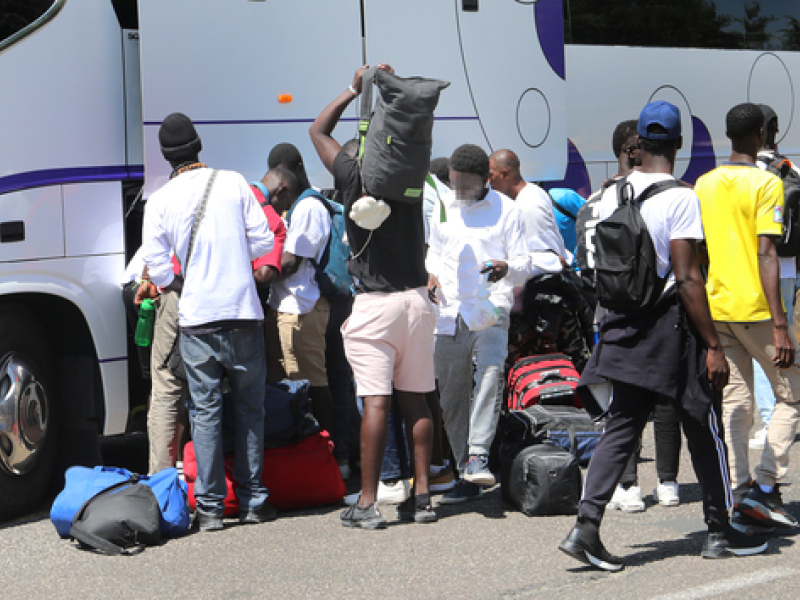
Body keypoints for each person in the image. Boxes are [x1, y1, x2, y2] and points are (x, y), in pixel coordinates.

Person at [559, 101, 767, 572]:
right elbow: (689, 277)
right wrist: (713, 345)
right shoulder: (679, 197)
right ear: (677, 143)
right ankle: (719, 530)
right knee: (702, 421)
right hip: (671, 327)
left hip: (620, 322)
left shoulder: (607, 195)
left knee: (623, 424)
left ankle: (585, 526)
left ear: (637, 146)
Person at [310, 63, 437, 528]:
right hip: (418, 303)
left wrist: (353, 88)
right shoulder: (411, 174)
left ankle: (367, 503)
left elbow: (317, 130)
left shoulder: (351, 175)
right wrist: (392, 85)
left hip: (375, 307)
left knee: (376, 403)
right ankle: (423, 498)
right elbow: (401, 127)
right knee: (417, 401)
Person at [139, 112, 276, 531]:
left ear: (166, 156)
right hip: (242, 313)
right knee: (252, 409)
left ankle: (211, 509)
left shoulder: (160, 200)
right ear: (199, 146)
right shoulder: (234, 182)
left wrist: (184, 281)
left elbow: (156, 266)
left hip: (196, 320)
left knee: (205, 411)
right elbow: (265, 240)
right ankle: (254, 502)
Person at [695, 102, 800, 533]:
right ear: (761, 133)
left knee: (736, 401)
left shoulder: (703, 183)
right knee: (793, 395)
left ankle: (739, 490)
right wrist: (780, 323)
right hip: (757, 309)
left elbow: (699, 249)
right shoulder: (766, 183)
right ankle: (767, 487)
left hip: (717, 306)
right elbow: (766, 252)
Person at [426, 144, 534, 503]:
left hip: (492, 306)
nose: (457, 191)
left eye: (464, 184)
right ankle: (464, 471)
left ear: (485, 179)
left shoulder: (508, 210)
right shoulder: (444, 204)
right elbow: (436, 252)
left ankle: (478, 454)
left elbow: (524, 263)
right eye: (453, 182)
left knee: (490, 372)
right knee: (452, 394)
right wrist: (432, 276)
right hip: (450, 309)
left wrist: (508, 268)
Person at [265, 162, 337, 445]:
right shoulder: (295, 209)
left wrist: (257, 275)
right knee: (285, 389)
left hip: (302, 310)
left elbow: (293, 262)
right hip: (285, 307)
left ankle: (329, 454)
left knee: (313, 386)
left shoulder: (309, 207)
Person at [749, 104, 798, 450]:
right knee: (787, 336)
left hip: (754, 268)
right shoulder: (791, 168)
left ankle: (770, 420)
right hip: (789, 267)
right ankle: (791, 409)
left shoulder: (746, 172)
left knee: (762, 344)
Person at [488, 149, 568, 259]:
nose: (488, 181)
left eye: (491, 175)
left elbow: (544, 256)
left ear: (505, 174)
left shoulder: (528, 206)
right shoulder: (531, 192)